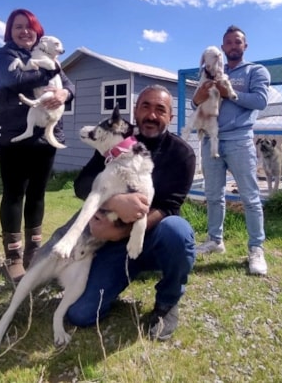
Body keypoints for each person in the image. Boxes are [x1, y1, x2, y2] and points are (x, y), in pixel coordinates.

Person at [64, 84, 196, 341]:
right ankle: (116, 275)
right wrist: (115, 202)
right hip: (113, 245)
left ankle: (168, 301)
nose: (152, 115)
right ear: (135, 111)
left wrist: (122, 231)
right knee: (80, 314)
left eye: (160, 110)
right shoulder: (117, 141)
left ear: (170, 117)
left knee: (178, 231)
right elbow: (82, 185)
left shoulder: (182, 154)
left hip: (153, 236)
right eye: (145, 106)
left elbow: (169, 207)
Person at [0, 8, 75, 283]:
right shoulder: (4, 55)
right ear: (10, 32)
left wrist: (63, 92)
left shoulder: (50, 58)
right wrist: (51, 73)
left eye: (29, 27)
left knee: (38, 194)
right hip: (13, 135)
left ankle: (33, 254)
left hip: (44, 137)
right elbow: (14, 81)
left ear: (38, 32)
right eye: (18, 27)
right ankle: (13, 258)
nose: (24, 31)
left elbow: (70, 87)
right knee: (14, 194)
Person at [192, 25, 270, 276]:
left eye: (238, 42)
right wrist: (197, 97)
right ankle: (215, 240)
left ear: (245, 46)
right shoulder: (209, 71)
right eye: (228, 42)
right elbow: (195, 102)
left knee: (250, 197)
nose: (233, 46)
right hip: (210, 140)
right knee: (213, 195)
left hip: (239, 140)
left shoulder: (255, 71)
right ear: (222, 48)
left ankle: (256, 248)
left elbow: (260, 101)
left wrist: (229, 93)